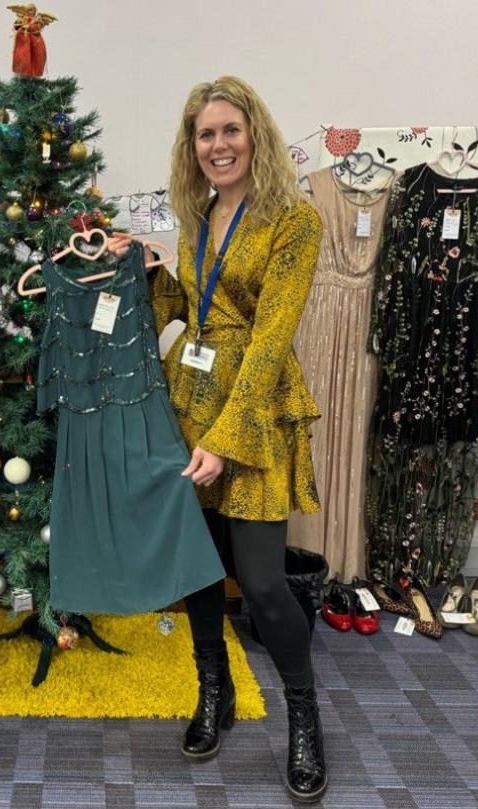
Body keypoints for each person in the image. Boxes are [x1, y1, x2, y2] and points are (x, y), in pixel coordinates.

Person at [149, 76, 327, 803]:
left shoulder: (293, 220)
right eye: (205, 134)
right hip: (189, 403)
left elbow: (269, 340)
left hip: (253, 413)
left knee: (260, 582)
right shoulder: (193, 216)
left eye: (229, 130)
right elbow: (183, 303)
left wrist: (225, 438)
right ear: (191, 148)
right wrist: (139, 270)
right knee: (197, 566)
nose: (217, 145)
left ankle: (304, 715)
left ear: (256, 134)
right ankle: (212, 689)